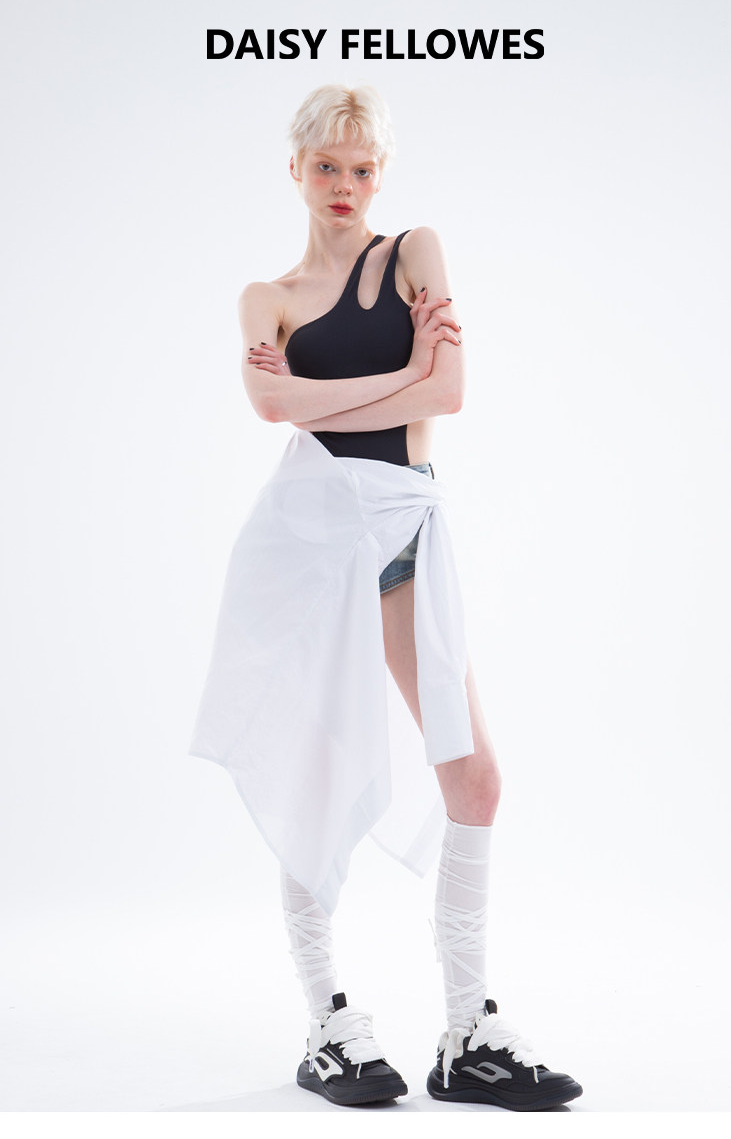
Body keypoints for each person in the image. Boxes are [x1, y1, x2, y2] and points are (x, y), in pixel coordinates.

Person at [222, 83, 582, 1110]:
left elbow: (448, 393)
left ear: (383, 174)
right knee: (315, 779)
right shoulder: (266, 296)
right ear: (296, 170)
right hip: (310, 542)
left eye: (363, 167)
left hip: (404, 530)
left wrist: (323, 397)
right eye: (327, 166)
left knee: (475, 779)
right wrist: (399, 373)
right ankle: (328, 1023)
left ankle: (468, 1033)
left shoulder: (415, 251)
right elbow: (271, 404)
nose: (346, 185)